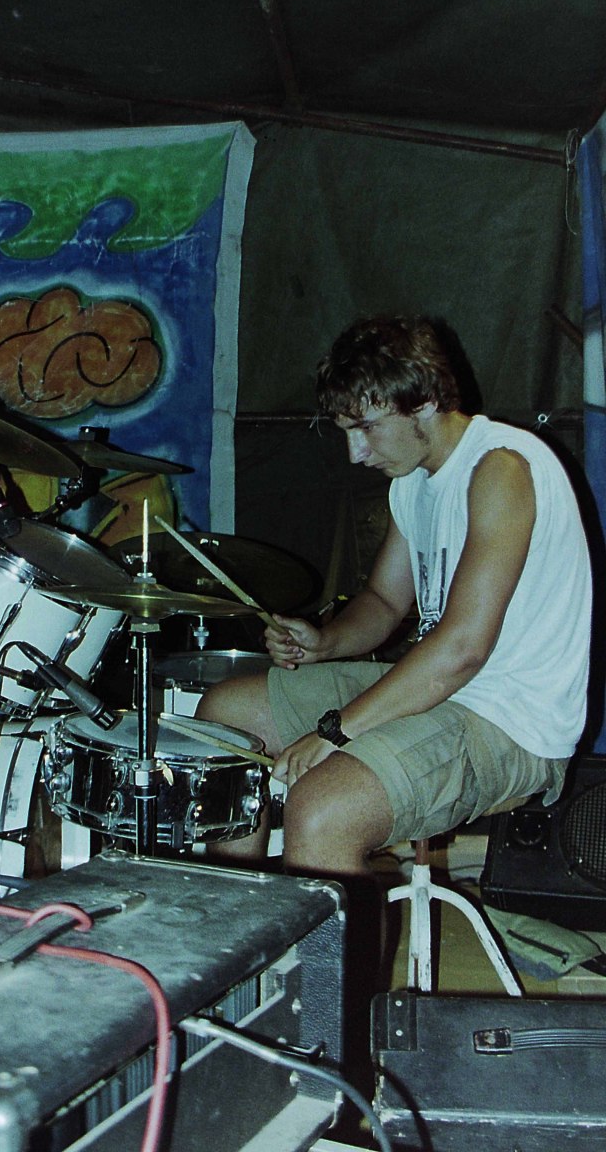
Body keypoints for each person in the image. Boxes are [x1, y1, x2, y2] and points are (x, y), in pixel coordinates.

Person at [197, 314, 592, 878]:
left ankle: (323, 940)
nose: (355, 454)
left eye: (367, 428)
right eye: (346, 431)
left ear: (425, 401)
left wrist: (335, 732)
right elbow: (384, 602)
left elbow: (463, 649)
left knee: (323, 808)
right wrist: (325, 642)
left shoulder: (500, 469)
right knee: (225, 715)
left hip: (511, 722)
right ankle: (238, 921)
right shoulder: (412, 482)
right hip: (443, 691)